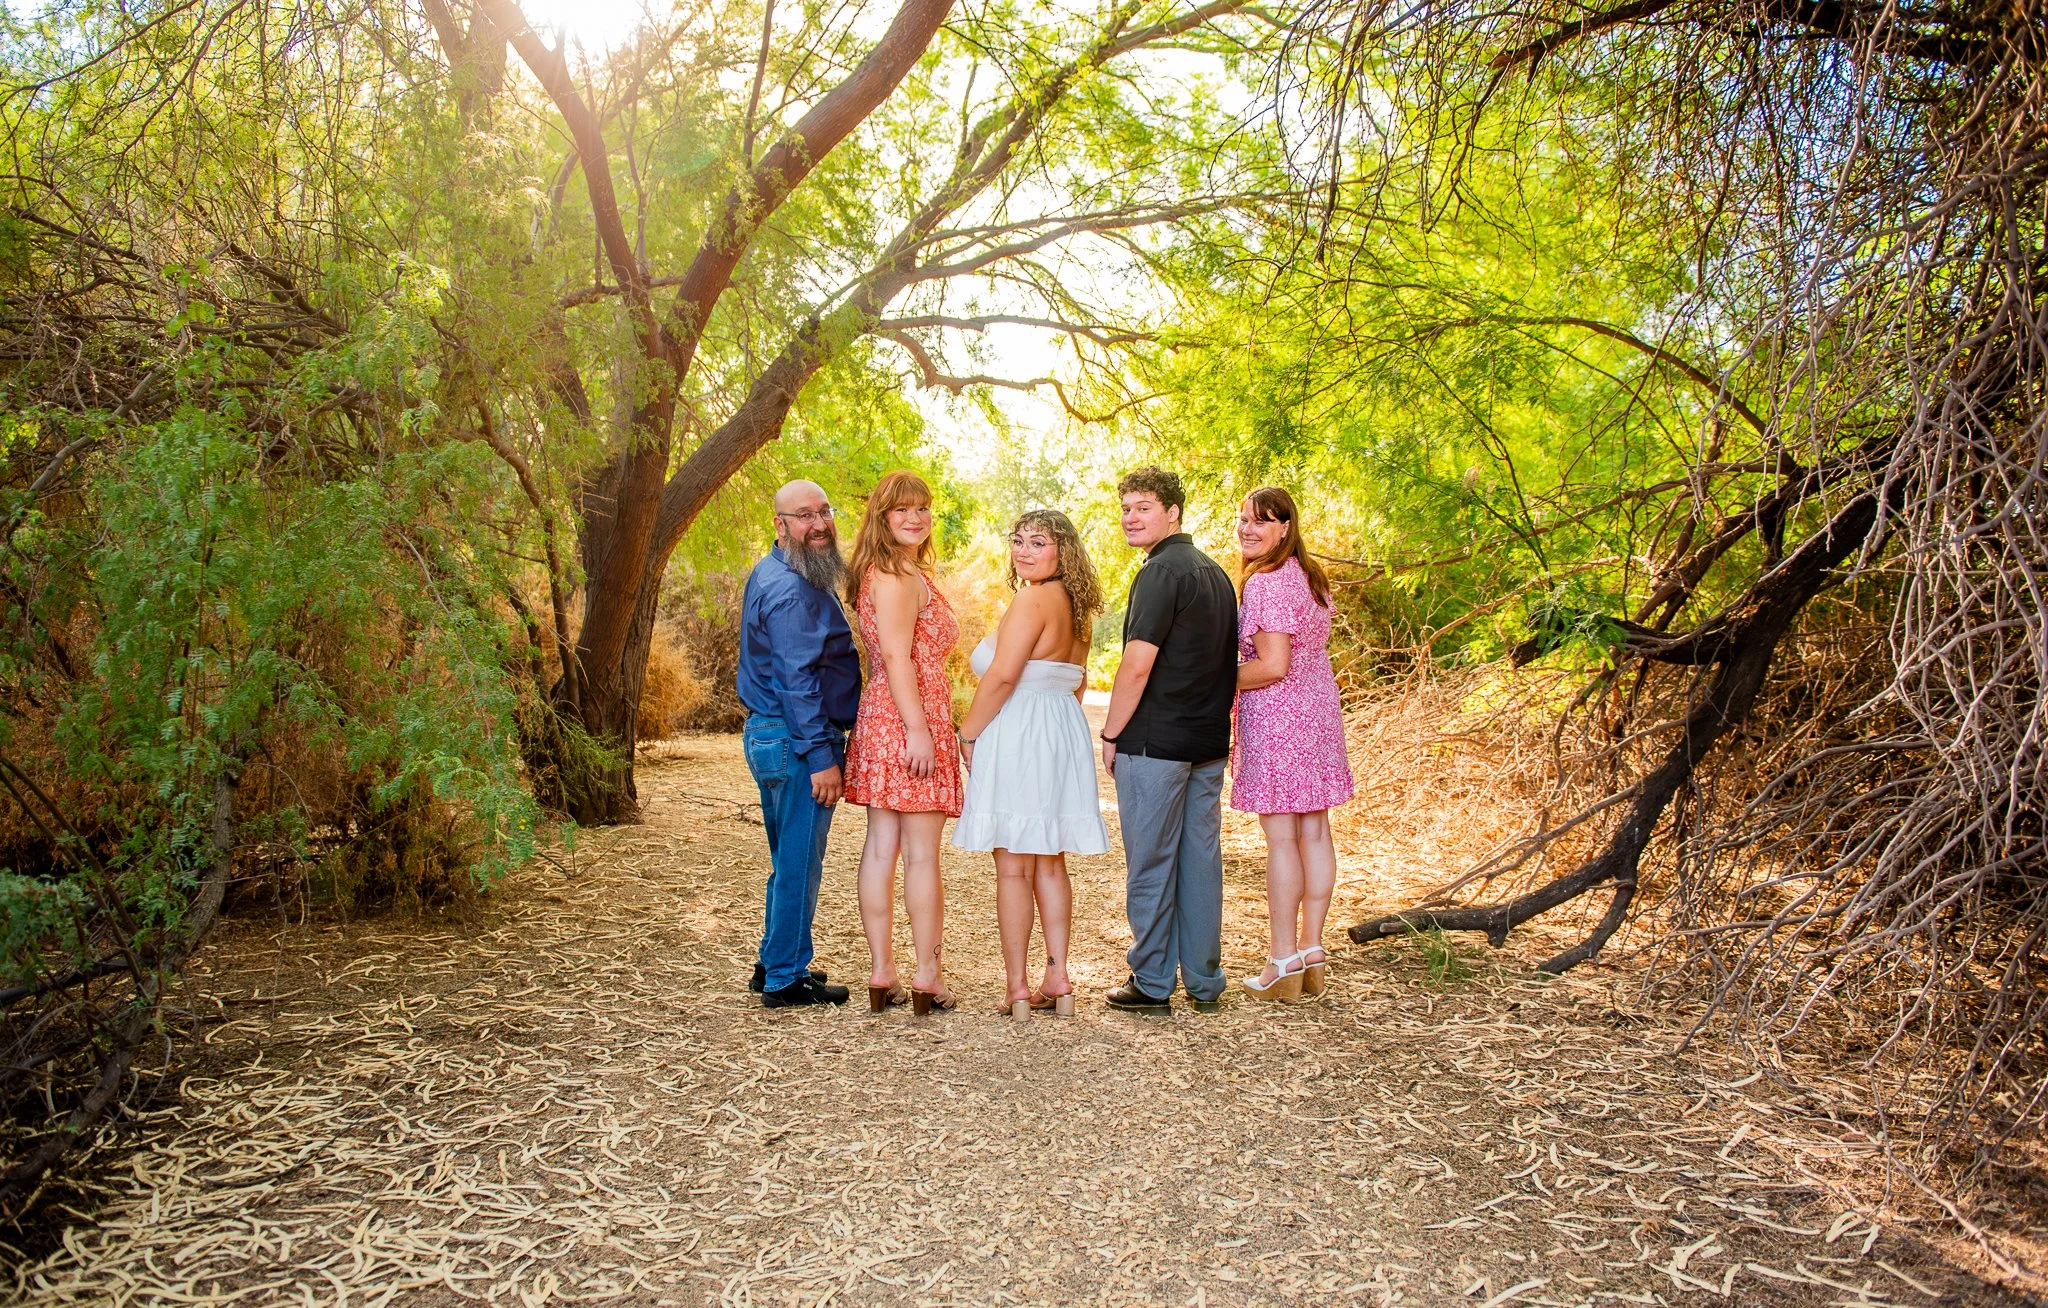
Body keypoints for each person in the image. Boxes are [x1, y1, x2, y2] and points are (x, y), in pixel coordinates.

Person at [953, 509, 1108, 1020]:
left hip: (1020, 729)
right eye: (1018, 540)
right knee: (1049, 857)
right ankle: (1058, 976)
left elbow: (1000, 678)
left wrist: (969, 733)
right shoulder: (1077, 605)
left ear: (1063, 549)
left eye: (1037, 542)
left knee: (1014, 865)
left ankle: (1018, 986)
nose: (1023, 551)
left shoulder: (1031, 598)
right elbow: (1077, 682)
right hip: (1058, 729)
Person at [1098, 468, 1238, 1014]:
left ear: (1174, 512)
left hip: (1156, 746)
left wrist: (1111, 732)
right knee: (1200, 861)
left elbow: (1136, 665)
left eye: (1144, 507)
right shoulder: (1216, 573)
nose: (1132, 517)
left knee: (1151, 863)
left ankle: (1153, 983)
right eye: (1127, 508)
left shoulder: (1160, 573)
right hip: (1207, 743)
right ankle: (1205, 983)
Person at [842, 471, 963, 1016]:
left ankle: (884, 973)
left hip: (890, 714)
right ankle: (924, 976)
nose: (915, 518)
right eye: (902, 510)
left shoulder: (897, 569)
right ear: (881, 517)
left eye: (923, 508)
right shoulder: (892, 575)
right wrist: (919, 730)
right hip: (907, 717)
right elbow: (895, 657)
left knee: (883, 847)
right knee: (915, 855)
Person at [737, 480, 861, 1008]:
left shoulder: (780, 572)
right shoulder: (791, 591)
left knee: (786, 858)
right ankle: (786, 977)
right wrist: (821, 758)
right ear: (779, 524)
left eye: (824, 512)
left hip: (772, 735)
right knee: (797, 863)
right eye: (803, 516)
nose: (818, 524)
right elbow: (797, 681)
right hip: (794, 741)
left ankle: (775, 960)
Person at [1231, 487, 1355, 1001]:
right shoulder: (1310, 579)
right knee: (1315, 834)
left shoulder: (1266, 584)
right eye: (1242, 519)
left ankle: (1281, 958)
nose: (1248, 529)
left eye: (1262, 521)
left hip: (1281, 718)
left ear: (1285, 528)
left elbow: (1272, 665)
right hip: (1319, 714)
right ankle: (1310, 949)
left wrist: (1212, 677)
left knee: (1283, 838)